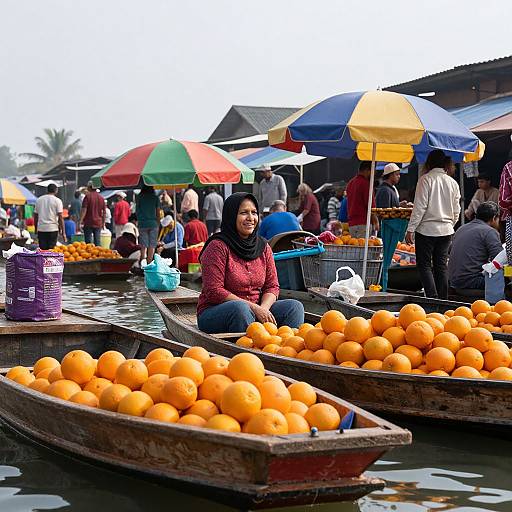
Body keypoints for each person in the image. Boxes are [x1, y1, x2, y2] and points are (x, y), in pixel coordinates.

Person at [197, 192, 304, 334]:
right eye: (243, 213)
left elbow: (272, 286)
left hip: (257, 309)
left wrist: (263, 309)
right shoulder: (217, 246)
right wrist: (254, 308)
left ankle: (285, 348)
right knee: (240, 309)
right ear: (231, 215)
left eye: (254, 212)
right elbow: (214, 290)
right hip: (216, 312)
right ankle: (245, 351)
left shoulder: (263, 247)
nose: (250, 218)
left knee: (294, 307)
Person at [406, 150, 461, 299]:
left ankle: (432, 298)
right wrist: (450, 224)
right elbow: (457, 210)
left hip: (426, 230)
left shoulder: (425, 180)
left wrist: (410, 229)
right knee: (441, 267)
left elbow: (420, 207)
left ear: (429, 163)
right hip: (446, 230)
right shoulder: (453, 183)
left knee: (424, 266)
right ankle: (443, 300)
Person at [448, 201, 502, 292]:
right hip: (472, 281)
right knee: (505, 281)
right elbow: (499, 260)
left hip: (453, 281)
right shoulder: (490, 232)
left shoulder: (461, 228)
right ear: (494, 218)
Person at [346, 161, 379, 238]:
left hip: (351, 225)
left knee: (355, 248)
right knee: (363, 249)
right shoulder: (366, 184)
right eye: (373, 170)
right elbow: (370, 206)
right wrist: (376, 222)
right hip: (363, 224)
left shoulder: (350, 183)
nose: (373, 173)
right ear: (367, 170)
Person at [34, 184, 65, 250]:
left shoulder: (39, 200)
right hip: (53, 229)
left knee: (43, 251)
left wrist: (36, 229)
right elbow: (60, 217)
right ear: (56, 190)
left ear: (47, 190)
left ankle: (44, 260)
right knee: (52, 251)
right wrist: (63, 232)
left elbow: (35, 216)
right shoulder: (57, 201)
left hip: (41, 229)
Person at [136, 185, 160, 264]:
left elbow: (137, 210)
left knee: (143, 244)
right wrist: (158, 223)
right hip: (153, 223)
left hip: (142, 223)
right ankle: (149, 262)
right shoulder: (155, 197)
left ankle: (143, 260)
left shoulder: (139, 197)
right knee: (152, 244)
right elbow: (158, 211)